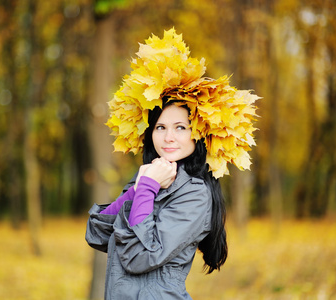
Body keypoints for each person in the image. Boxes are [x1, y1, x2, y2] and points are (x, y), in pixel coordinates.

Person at [86, 28, 260, 299]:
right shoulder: (151, 177)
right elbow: (98, 233)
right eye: (160, 127)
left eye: (180, 128)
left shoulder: (195, 194)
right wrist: (137, 190)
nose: (168, 137)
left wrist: (147, 189)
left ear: (198, 134)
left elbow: (140, 257)